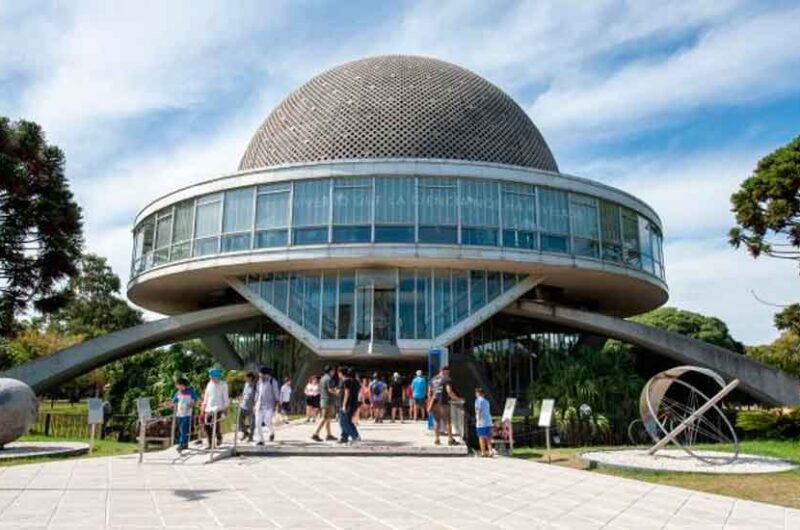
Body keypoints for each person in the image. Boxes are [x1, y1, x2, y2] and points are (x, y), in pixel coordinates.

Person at [428, 365, 459, 446]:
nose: (448, 373)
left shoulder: (433, 379)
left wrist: (430, 402)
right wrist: (457, 399)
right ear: (445, 371)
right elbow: (449, 391)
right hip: (443, 403)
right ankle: (450, 439)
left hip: (434, 403)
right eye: (448, 372)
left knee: (436, 421)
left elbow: (429, 393)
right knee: (447, 421)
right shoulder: (446, 379)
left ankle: (437, 439)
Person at [201, 368, 230, 449]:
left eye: (213, 377)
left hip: (218, 408)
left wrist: (226, 408)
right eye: (210, 377)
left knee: (214, 425)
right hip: (208, 408)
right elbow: (206, 397)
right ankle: (211, 444)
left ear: (217, 376)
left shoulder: (223, 384)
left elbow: (226, 397)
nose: (211, 378)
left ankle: (218, 438)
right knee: (207, 426)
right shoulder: (209, 384)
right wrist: (203, 407)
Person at [312, 365, 339, 442]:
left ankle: (329, 435)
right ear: (330, 371)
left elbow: (320, 389)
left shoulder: (322, 379)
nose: (334, 372)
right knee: (324, 418)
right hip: (328, 401)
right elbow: (330, 390)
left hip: (323, 400)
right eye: (333, 371)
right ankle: (315, 434)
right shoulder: (329, 379)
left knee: (327, 418)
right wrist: (336, 392)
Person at [254, 366, 280, 445]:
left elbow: (276, 393)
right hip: (259, 405)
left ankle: (271, 432)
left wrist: (277, 405)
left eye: (261, 374)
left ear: (266, 374)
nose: (260, 376)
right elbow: (257, 393)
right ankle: (260, 440)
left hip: (269, 406)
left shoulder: (272, 381)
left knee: (267, 421)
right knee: (257, 423)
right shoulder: (259, 382)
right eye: (259, 374)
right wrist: (255, 404)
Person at [172, 377, 199, 451]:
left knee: (183, 429)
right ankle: (185, 444)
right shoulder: (178, 392)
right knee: (181, 429)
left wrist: (191, 404)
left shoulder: (190, 391)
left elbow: (196, 400)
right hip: (179, 413)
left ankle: (181, 444)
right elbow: (174, 401)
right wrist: (167, 404)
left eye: (178, 385)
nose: (177, 386)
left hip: (186, 414)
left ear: (182, 385)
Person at [338, 367, 361, 444]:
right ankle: (344, 437)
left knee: (344, 422)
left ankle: (355, 436)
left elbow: (347, 394)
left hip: (348, 404)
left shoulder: (347, 381)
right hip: (354, 403)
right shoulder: (356, 382)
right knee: (346, 421)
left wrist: (344, 405)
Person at [474, 387, 493, 457]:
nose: (475, 394)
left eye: (476, 393)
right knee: (488, 438)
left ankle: (483, 452)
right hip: (488, 421)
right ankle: (490, 451)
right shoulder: (487, 401)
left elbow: (478, 411)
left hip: (481, 422)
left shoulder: (478, 401)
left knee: (481, 437)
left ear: (478, 393)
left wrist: (478, 420)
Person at [238, 372, 256, 442]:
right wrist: (240, 400)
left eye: (246, 377)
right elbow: (244, 394)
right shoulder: (246, 384)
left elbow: (257, 396)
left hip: (251, 406)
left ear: (250, 377)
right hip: (243, 405)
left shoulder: (255, 386)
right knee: (240, 421)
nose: (244, 378)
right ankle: (245, 433)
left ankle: (251, 436)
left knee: (252, 422)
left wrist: (255, 406)